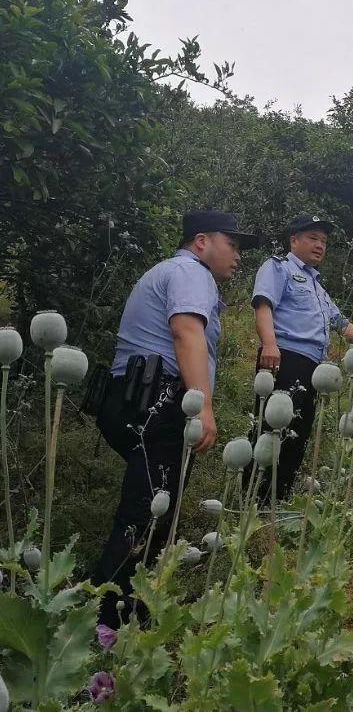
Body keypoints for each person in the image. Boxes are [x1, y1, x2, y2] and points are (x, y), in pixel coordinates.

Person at [92, 210, 259, 627]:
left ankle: (121, 605)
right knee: (146, 513)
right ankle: (111, 621)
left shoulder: (169, 271)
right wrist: (202, 405)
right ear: (201, 242)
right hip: (160, 401)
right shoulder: (191, 273)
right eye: (232, 244)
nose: (238, 255)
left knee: (150, 505)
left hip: (132, 397)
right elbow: (186, 331)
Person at [246, 213, 353, 503]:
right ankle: (250, 499)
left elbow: (342, 324)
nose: (320, 245)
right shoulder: (279, 268)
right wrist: (269, 344)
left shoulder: (318, 288)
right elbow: (263, 306)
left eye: (324, 241)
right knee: (271, 430)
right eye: (313, 238)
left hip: (312, 368)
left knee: (297, 434)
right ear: (294, 240)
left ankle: (275, 502)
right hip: (284, 358)